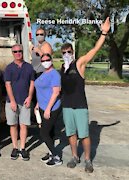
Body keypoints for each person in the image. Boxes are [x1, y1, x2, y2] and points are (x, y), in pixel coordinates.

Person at [60, 17, 110, 173]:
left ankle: (88, 160)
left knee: (84, 135)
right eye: (64, 52)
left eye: (69, 52)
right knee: (71, 133)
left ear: (73, 53)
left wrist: (103, 33)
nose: (67, 54)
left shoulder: (79, 63)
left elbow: (94, 50)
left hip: (80, 106)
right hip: (66, 106)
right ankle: (75, 156)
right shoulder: (62, 67)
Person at [4, 44, 35, 161]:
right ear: (12, 53)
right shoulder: (9, 68)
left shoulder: (29, 67)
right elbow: (8, 84)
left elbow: (32, 82)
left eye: (20, 51)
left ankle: (22, 148)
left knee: (24, 125)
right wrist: (12, 101)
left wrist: (30, 97)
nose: (18, 53)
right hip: (12, 101)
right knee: (13, 125)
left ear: (22, 52)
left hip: (25, 101)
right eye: (15, 52)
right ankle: (15, 147)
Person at [34, 53, 62, 167]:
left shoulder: (55, 74)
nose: (45, 62)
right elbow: (40, 90)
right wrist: (37, 104)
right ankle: (51, 153)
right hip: (41, 106)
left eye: (47, 59)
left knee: (44, 133)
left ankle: (56, 157)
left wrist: (48, 109)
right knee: (49, 132)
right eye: (43, 60)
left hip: (51, 108)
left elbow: (56, 92)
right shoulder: (43, 73)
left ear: (51, 60)